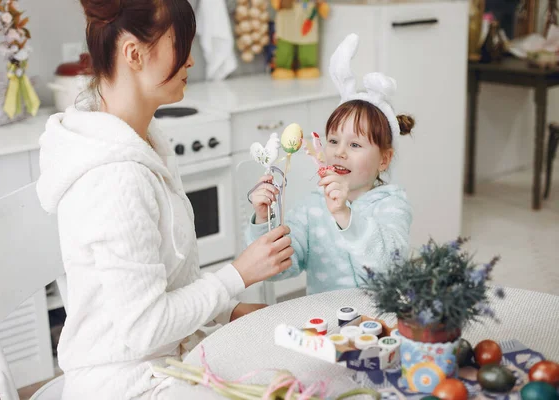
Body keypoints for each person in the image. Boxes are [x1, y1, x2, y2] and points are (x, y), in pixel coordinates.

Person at [35, 0, 293, 398]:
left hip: (172, 357)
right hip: (125, 383)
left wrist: (230, 310)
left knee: (292, 366)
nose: (191, 60)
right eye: (181, 44)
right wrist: (236, 276)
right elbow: (145, 329)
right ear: (134, 55)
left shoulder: (143, 138)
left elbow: (168, 283)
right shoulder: (115, 177)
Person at [247, 33, 413, 295]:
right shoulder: (311, 207)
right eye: (333, 141)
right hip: (326, 325)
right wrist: (263, 217)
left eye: (355, 145)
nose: (340, 152)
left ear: (384, 159)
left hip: (380, 323)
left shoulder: (392, 205)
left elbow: (388, 267)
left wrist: (345, 215)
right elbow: (280, 268)